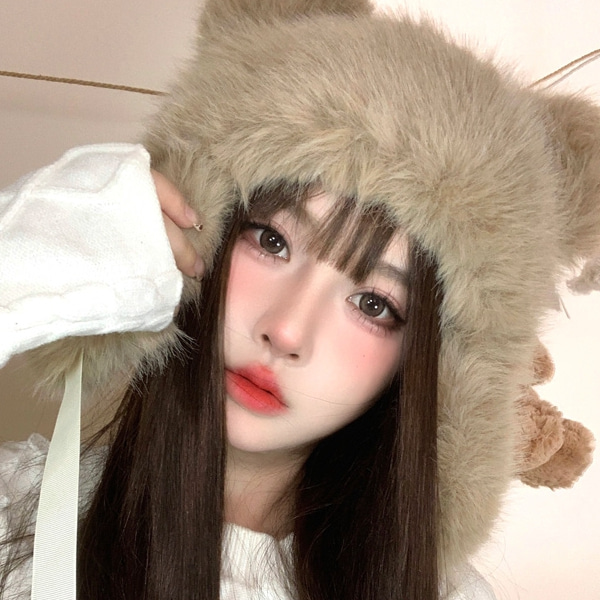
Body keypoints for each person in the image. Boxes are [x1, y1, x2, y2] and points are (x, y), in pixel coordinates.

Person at [2, 0, 600, 599]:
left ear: (436, 369)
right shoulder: (14, 510)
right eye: (272, 241)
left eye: (374, 304)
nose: (286, 330)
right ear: (199, 223)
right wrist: (21, 262)